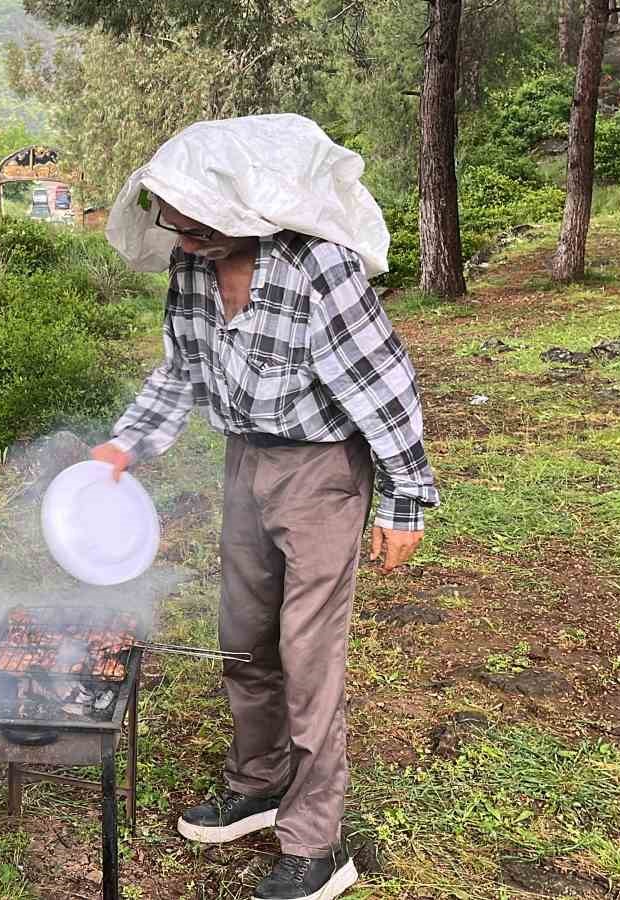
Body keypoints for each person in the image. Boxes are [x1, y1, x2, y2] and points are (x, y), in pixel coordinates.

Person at [92, 121, 438, 900]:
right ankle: (257, 782)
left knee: (308, 658)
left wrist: (405, 502)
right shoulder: (195, 269)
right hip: (244, 460)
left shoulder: (319, 267)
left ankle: (317, 844)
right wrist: (124, 446)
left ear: (238, 212)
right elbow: (182, 370)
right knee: (244, 639)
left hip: (321, 471)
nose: (178, 240)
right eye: (172, 223)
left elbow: (385, 388)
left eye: (192, 224)